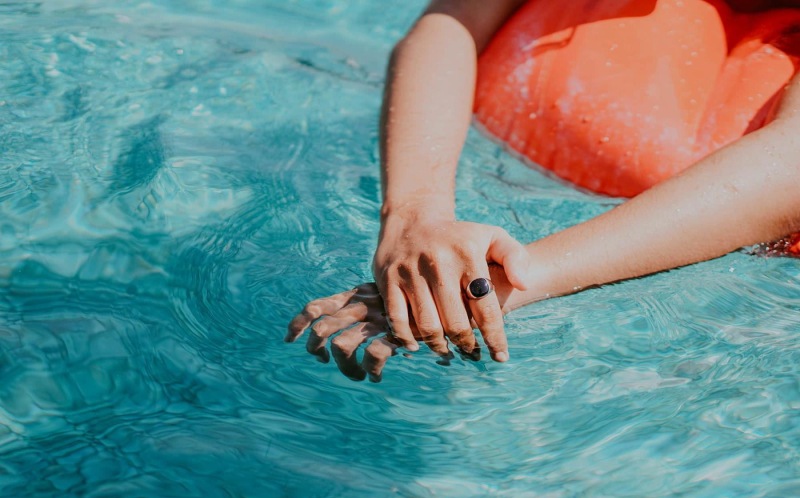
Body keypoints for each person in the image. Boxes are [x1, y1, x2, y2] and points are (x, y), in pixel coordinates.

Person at [286, 0, 800, 382]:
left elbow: (789, 165)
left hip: (744, 307)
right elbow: (456, 18)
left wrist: (503, 284)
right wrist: (413, 219)